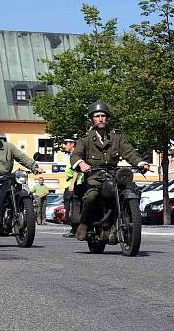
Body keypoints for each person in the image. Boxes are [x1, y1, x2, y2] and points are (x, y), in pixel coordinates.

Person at [70, 101, 149, 240]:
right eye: (97, 116)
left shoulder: (116, 137)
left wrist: (140, 162)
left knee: (134, 190)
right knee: (91, 196)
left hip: (114, 175)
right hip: (94, 176)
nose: (100, 118)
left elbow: (129, 152)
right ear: (92, 119)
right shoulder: (85, 139)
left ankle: (129, 218)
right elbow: (76, 155)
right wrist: (81, 164)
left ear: (107, 118)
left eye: (103, 115)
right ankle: (84, 223)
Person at [60, 137, 80, 237]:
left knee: (72, 208)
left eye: (66, 143)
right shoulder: (71, 155)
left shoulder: (76, 155)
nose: (64, 145)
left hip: (74, 185)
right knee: (69, 208)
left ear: (72, 144)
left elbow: (76, 170)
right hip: (69, 185)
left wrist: (72, 183)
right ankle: (74, 229)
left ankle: (75, 230)